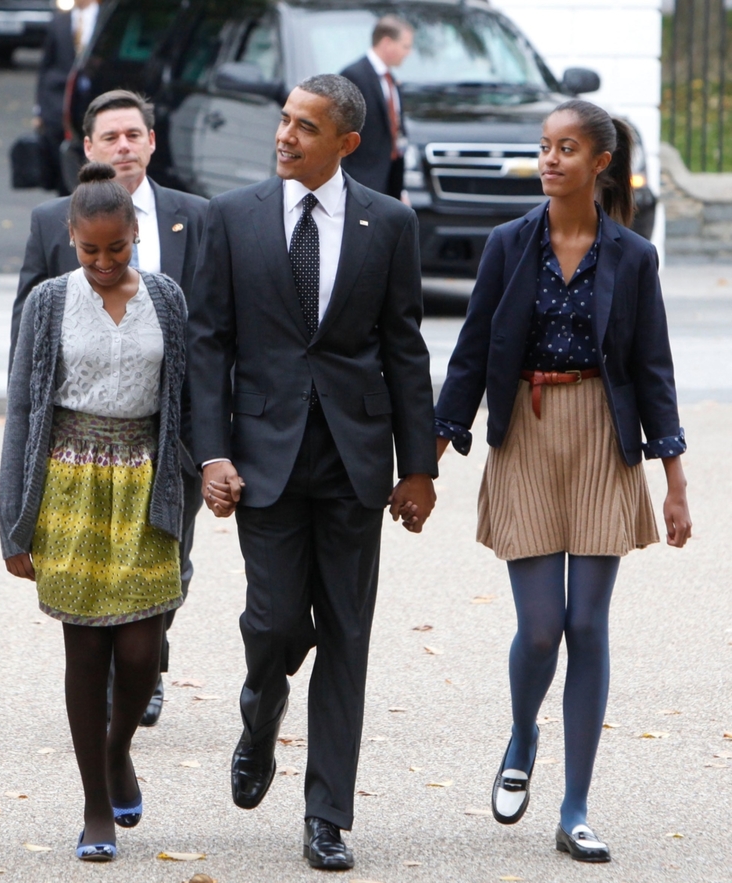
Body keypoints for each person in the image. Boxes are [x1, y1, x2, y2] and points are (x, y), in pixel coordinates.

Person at [188, 74, 437, 871]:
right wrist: (213, 453)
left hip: (354, 460)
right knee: (273, 623)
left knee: (347, 635)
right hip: (263, 457)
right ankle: (260, 713)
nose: (285, 136)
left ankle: (327, 813)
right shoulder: (233, 218)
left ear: (347, 143)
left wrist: (418, 464)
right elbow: (208, 345)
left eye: (306, 126)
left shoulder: (389, 222)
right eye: (285, 120)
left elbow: (403, 345)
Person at [435, 99, 692, 862]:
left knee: (588, 625)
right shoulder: (509, 244)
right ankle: (522, 733)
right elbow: (474, 348)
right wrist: (434, 451)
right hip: (528, 434)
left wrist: (673, 479)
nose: (550, 160)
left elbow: (654, 370)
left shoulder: (632, 257)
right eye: (544, 147)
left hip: (602, 439)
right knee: (543, 626)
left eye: (567, 148)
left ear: (599, 163)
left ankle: (575, 805)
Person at [0, 162, 188, 862]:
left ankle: (118, 748)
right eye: (90, 250)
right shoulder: (48, 303)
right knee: (85, 648)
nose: (105, 262)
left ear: (136, 233)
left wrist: (209, 471)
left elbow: (184, 401)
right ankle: (94, 803)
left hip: (144, 483)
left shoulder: (167, 298)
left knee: (142, 650)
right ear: (72, 240)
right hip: (70, 484)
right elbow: (22, 411)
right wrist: (13, 523)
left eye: (117, 248)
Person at [11, 89, 208, 727]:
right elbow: (29, 348)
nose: (123, 145)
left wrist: (212, 446)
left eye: (134, 134)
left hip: (161, 446)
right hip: (77, 453)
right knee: (90, 602)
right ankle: (119, 693)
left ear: (152, 140)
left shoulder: (196, 217)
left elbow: (210, 341)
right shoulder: (50, 225)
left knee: (163, 577)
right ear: (90, 148)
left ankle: (144, 664)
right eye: (110, 136)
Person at [340, 15, 414, 200]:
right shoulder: (354, 76)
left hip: (388, 183)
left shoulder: (392, 81)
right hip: (361, 182)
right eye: (405, 46)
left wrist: (400, 189)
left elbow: (396, 134)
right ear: (387, 42)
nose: (408, 53)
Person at [34, 0, 99, 195]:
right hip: (58, 104)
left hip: (91, 101)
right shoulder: (59, 21)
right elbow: (46, 67)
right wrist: (39, 110)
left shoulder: (104, 18)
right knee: (62, 157)